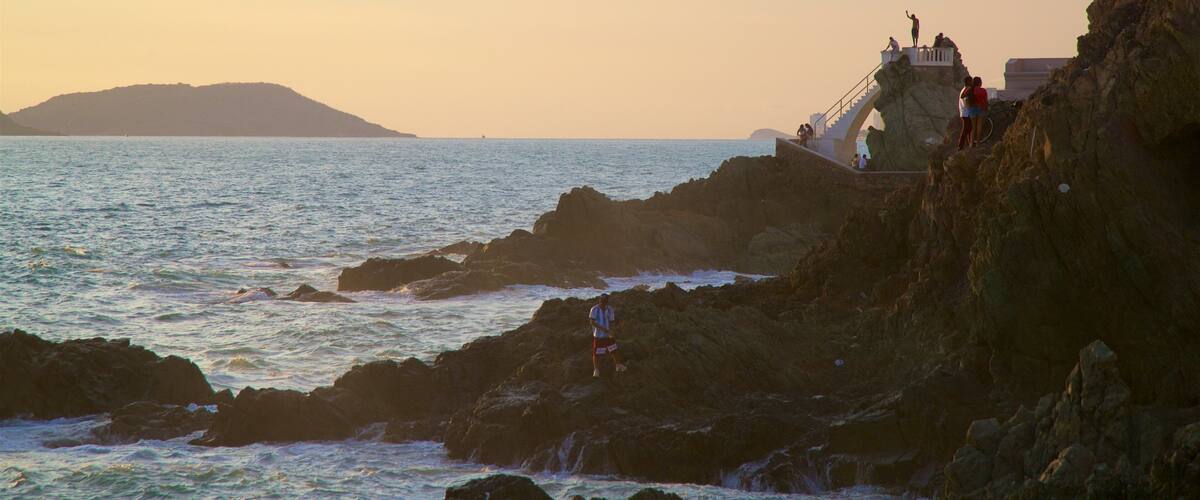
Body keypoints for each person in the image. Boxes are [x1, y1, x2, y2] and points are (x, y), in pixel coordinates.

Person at [589, 293, 626, 377]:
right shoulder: (594, 309)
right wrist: (604, 329)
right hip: (598, 335)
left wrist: (612, 331)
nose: (602, 302)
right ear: (599, 300)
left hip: (608, 335)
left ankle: (618, 365)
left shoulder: (610, 309)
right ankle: (596, 370)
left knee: (614, 350)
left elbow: (611, 321)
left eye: (604, 301)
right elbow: (592, 322)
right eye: (601, 300)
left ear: (607, 301)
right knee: (596, 353)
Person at [971, 76, 989, 146]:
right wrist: (986, 108)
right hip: (981, 108)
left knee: (973, 127)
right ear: (979, 83)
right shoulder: (983, 90)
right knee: (979, 125)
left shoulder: (971, 90)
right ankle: (978, 143)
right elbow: (986, 101)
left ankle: (971, 143)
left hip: (972, 108)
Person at [957, 76, 975, 150]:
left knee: (969, 128)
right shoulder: (967, 89)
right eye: (971, 81)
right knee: (966, 129)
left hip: (963, 112)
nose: (972, 83)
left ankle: (969, 143)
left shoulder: (963, 89)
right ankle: (960, 146)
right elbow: (963, 96)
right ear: (968, 82)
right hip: (966, 112)